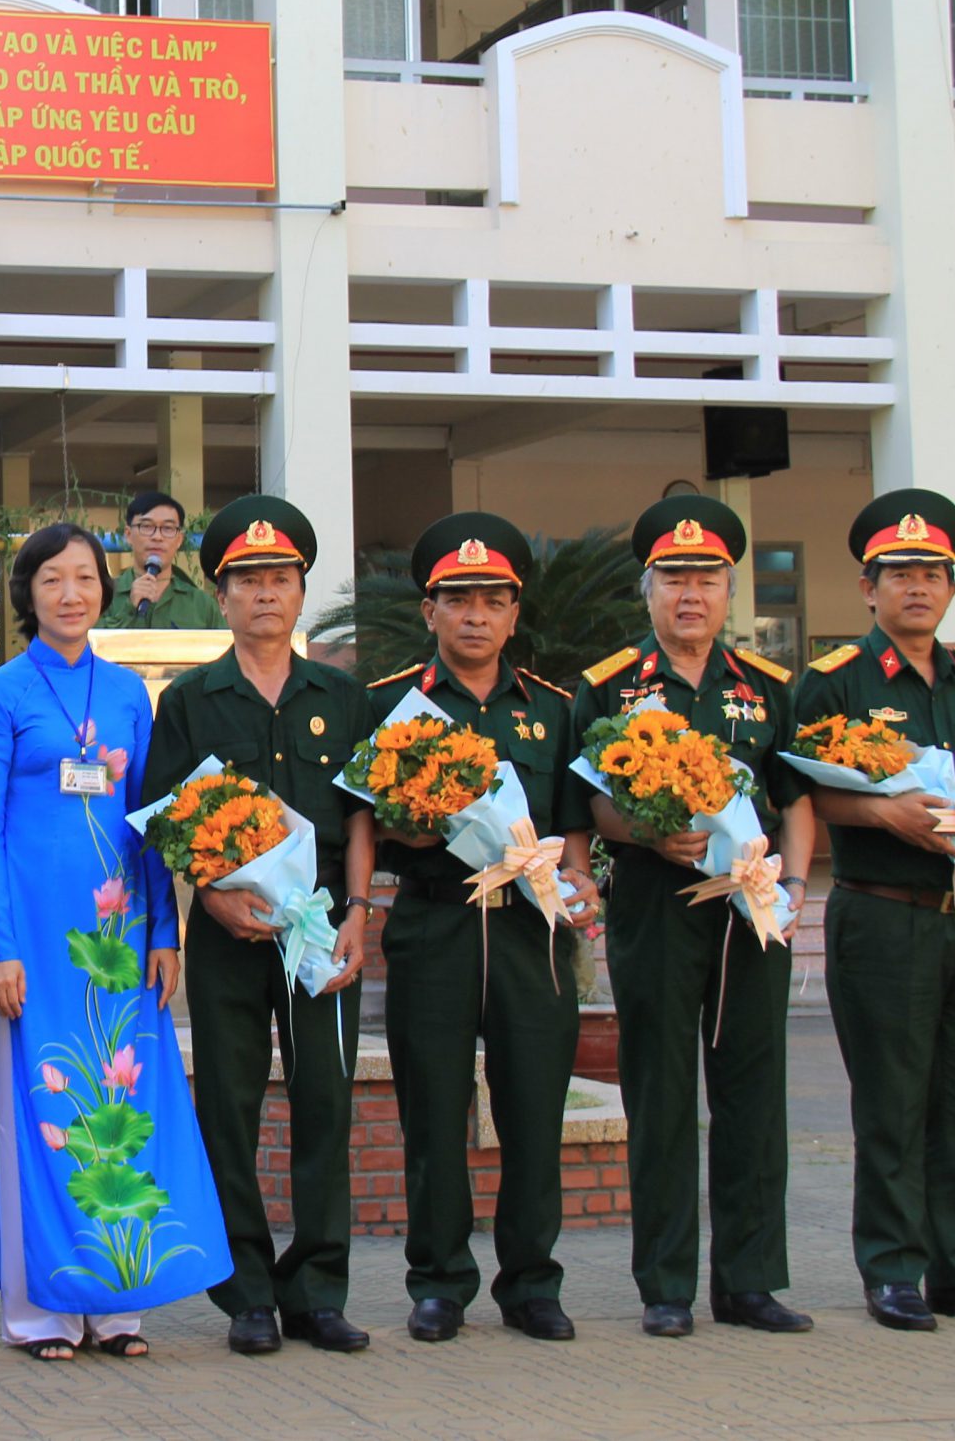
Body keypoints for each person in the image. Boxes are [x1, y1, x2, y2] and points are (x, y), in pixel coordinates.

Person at [0, 523, 229, 1360]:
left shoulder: (126, 694)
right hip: (32, 939)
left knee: (122, 1111)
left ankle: (118, 1304)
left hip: (117, 934)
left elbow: (150, 822)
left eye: (85, 577)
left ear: (103, 592)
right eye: (52, 578)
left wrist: (164, 927)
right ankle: (41, 1311)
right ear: (28, 594)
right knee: (39, 1108)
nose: (71, 592)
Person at [792, 490, 955, 1333]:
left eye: (933, 573)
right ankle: (893, 1268)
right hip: (884, 913)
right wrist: (882, 813)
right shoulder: (836, 682)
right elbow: (804, 796)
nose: (917, 587)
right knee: (893, 1102)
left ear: (950, 588)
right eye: (899, 573)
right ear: (868, 588)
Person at [565, 495, 817, 1338]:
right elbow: (588, 805)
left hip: (750, 912)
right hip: (656, 907)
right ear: (649, 590)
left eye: (707, 578)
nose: (691, 595)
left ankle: (750, 1280)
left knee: (752, 1093)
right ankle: (666, 1283)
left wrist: (800, 882)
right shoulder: (608, 687)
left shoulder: (769, 688)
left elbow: (799, 796)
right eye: (674, 577)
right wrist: (646, 831)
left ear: (728, 592)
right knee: (663, 1094)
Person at [143, 493, 374, 1357]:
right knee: (228, 1110)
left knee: (325, 1102)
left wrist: (358, 913)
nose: (265, 594)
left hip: (318, 931)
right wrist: (209, 895)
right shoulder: (194, 699)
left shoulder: (343, 696)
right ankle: (245, 1292)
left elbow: (360, 817)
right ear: (225, 594)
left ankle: (317, 1289)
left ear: (300, 592)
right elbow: (169, 813)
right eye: (247, 580)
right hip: (229, 934)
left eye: (281, 578)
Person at [370, 514, 597, 1347]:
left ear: (514, 612)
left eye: (491, 599)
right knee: (431, 1110)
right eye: (456, 598)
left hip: (532, 932)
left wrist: (581, 885)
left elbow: (576, 828)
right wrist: (411, 832)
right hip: (434, 920)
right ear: (428, 609)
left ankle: (533, 1282)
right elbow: (366, 820)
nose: (474, 615)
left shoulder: (554, 711)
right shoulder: (389, 705)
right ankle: (438, 1282)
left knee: (534, 1108)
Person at [99, 491, 225, 630]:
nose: (157, 537)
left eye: (168, 528)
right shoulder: (103, 596)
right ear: (128, 535)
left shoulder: (202, 605)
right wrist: (129, 609)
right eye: (146, 526)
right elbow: (87, 645)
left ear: (179, 540)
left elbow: (225, 649)